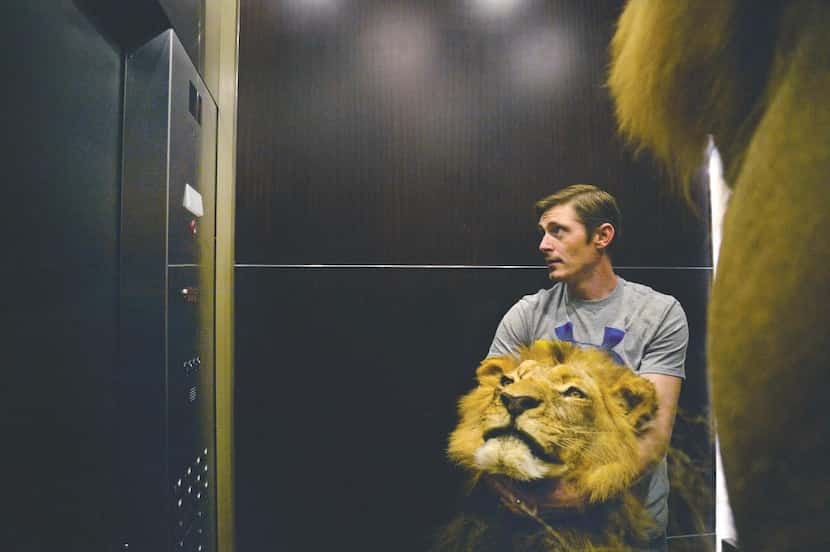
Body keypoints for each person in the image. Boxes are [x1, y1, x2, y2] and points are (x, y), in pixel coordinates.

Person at [486, 184, 687, 551]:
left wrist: (576, 497)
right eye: (543, 233)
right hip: (537, 532)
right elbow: (488, 410)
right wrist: (507, 486)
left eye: (558, 231)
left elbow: (655, 435)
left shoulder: (659, 314)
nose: (544, 245)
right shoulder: (526, 315)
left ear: (602, 236)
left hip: (629, 530)